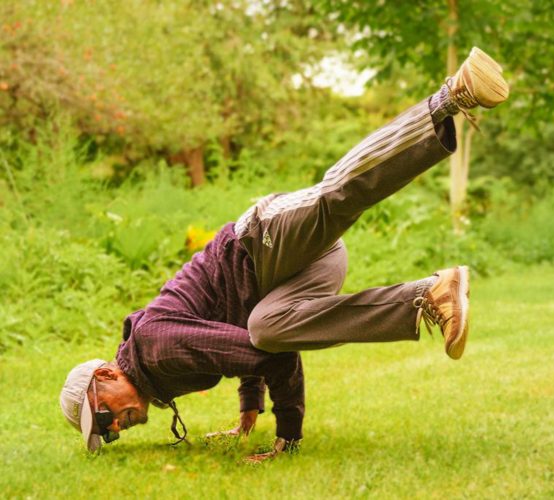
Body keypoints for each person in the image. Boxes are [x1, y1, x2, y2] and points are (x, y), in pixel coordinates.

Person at [60, 47, 509, 463]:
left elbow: (264, 357)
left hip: (261, 241)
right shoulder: (156, 372)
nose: (117, 427)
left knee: (335, 197)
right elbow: (235, 335)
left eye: (104, 418)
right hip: (293, 274)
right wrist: (249, 408)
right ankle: (427, 296)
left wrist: (288, 436)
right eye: (110, 433)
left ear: (105, 377)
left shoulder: (155, 349)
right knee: (268, 325)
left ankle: (450, 97)